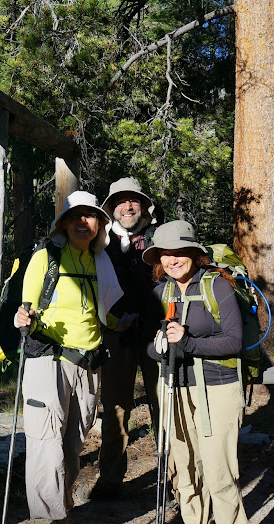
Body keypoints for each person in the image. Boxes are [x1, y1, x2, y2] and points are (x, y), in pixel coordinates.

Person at [14, 190, 127, 524]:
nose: (82, 222)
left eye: (89, 216)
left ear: (99, 224)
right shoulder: (46, 257)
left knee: (74, 443)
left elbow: (102, 311)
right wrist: (24, 320)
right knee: (46, 440)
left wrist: (124, 323)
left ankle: (61, 509)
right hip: (49, 359)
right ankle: (45, 518)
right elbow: (26, 308)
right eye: (75, 215)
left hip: (88, 364)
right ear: (63, 222)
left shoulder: (100, 260)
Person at [142, 220, 248, 524]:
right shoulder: (161, 292)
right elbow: (147, 347)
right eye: (165, 254)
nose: (172, 260)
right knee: (186, 473)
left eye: (179, 252)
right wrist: (159, 347)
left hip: (217, 388)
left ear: (194, 253)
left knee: (220, 475)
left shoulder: (217, 285)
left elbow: (235, 341)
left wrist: (187, 343)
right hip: (174, 387)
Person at [89, 177, 163, 499]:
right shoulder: (99, 242)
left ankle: (175, 479)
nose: (128, 206)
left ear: (144, 206)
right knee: (115, 409)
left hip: (157, 334)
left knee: (164, 406)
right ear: (111, 208)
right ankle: (110, 481)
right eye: (121, 201)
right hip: (115, 335)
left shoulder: (159, 238)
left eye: (134, 200)